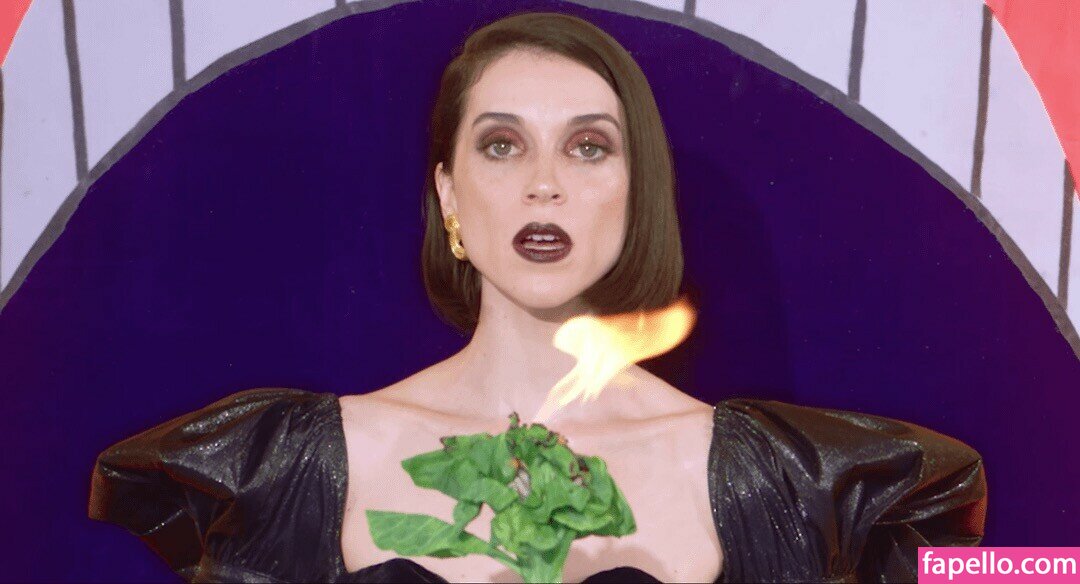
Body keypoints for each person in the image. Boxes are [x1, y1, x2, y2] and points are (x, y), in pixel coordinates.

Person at [87, 11, 987, 583]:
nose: (544, 183)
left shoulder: (776, 482)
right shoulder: (298, 470)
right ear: (448, 196)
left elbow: (1019, 566)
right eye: (502, 145)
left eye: (589, 147)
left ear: (634, 192)